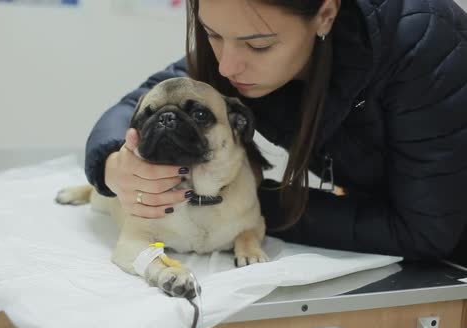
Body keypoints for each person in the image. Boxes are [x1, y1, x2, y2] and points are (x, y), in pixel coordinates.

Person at [84, 0, 467, 264]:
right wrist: (111, 162)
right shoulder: (241, 42)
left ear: (325, 15)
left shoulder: (424, 46)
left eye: (259, 45)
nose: (228, 67)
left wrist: (240, 205)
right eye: (213, 34)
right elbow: (138, 103)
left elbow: (426, 231)